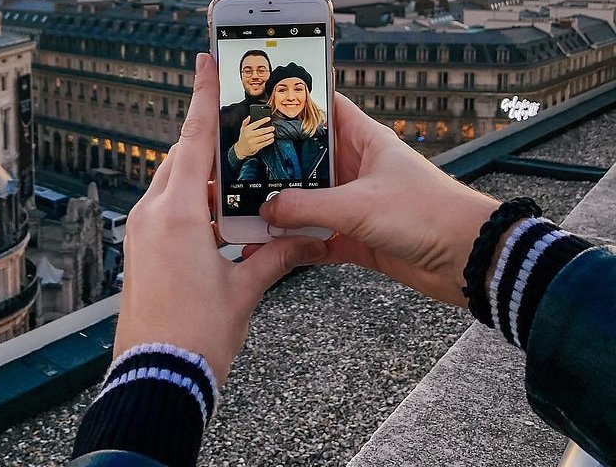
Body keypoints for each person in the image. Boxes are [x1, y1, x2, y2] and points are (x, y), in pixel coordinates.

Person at [69, 54, 616, 467]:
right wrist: (492, 253)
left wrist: (154, 374)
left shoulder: (312, 133)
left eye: (290, 83)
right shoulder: (242, 119)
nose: (278, 89)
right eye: (268, 79)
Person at [237, 62, 328, 182]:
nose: (291, 97)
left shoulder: (327, 137)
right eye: (282, 90)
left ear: (306, 96)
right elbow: (246, 179)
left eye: (298, 89)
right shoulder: (260, 139)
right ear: (273, 97)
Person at [219, 49, 275, 181]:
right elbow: (216, 171)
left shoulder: (287, 109)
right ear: (241, 76)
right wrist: (238, 151)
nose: (255, 76)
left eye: (261, 70)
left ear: (270, 75)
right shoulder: (227, 115)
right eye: (248, 71)